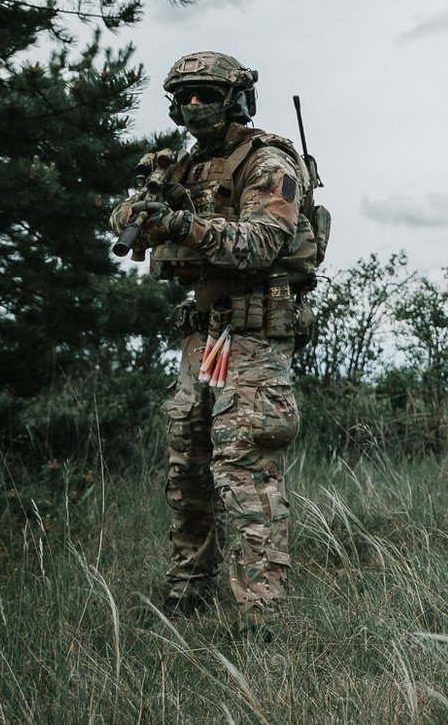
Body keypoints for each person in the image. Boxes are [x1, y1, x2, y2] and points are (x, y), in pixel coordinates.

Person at [110, 51, 324, 623]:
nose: (195, 105)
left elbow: (260, 243)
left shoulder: (268, 161)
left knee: (246, 471)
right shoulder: (182, 167)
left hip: (253, 336)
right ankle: (186, 595)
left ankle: (259, 616)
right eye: (185, 97)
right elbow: (125, 220)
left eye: (207, 94)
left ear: (235, 99)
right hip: (200, 337)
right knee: (186, 470)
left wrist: (179, 225)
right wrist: (136, 211)